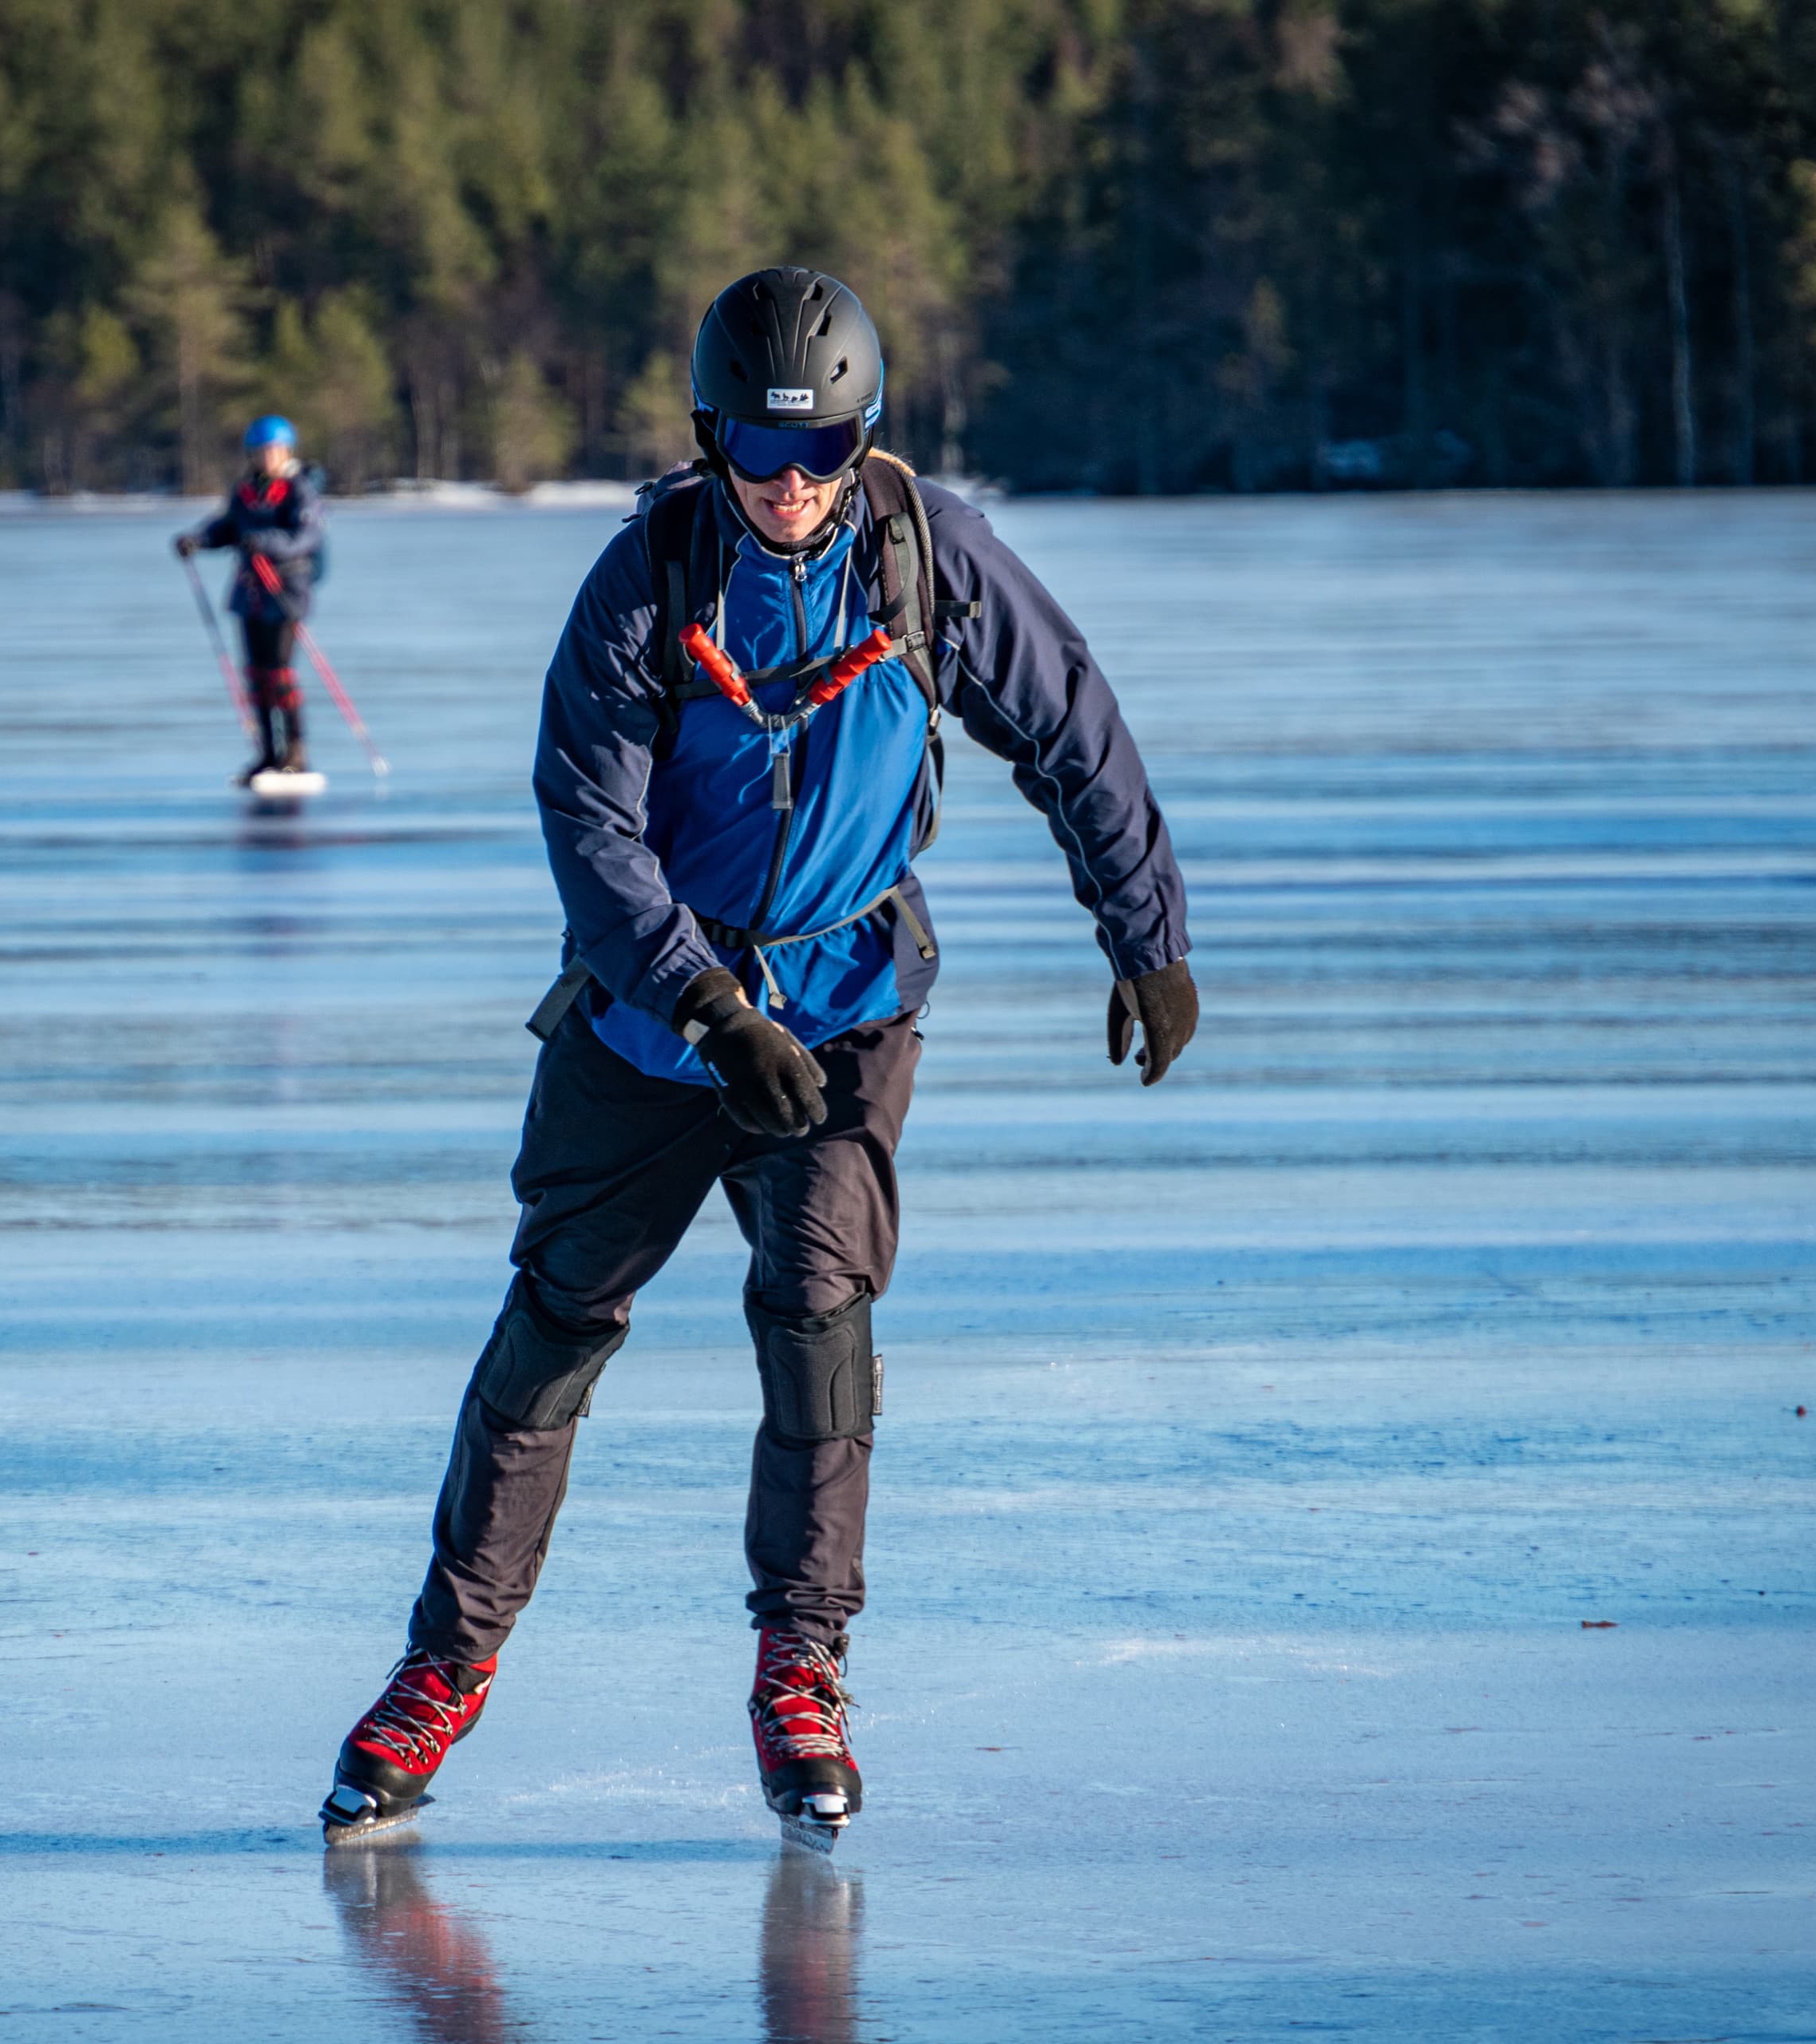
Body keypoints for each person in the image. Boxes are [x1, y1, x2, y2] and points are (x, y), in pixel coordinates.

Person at [319, 266, 1197, 1848]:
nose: (794, 486)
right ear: (707, 434)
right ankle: (442, 1672)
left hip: (851, 996)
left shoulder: (930, 558)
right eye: (759, 451)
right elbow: (588, 825)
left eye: (828, 448)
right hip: (653, 1018)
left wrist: (1145, 931)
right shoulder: (646, 577)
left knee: (818, 1302)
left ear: (867, 432)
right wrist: (707, 1004)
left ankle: (803, 1664)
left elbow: (1076, 726)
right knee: (561, 1315)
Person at [176, 415, 326, 781]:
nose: (267, 458)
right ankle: (266, 755)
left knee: (280, 673)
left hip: (286, 591)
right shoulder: (246, 490)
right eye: (260, 451)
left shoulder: (300, 489)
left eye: (273, 450)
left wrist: (264, 542)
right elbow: (228, 526)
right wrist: (198, 539)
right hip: (251, 593)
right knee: (255, 675)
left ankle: (295, 753)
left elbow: (305, 538)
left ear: (286, 451)